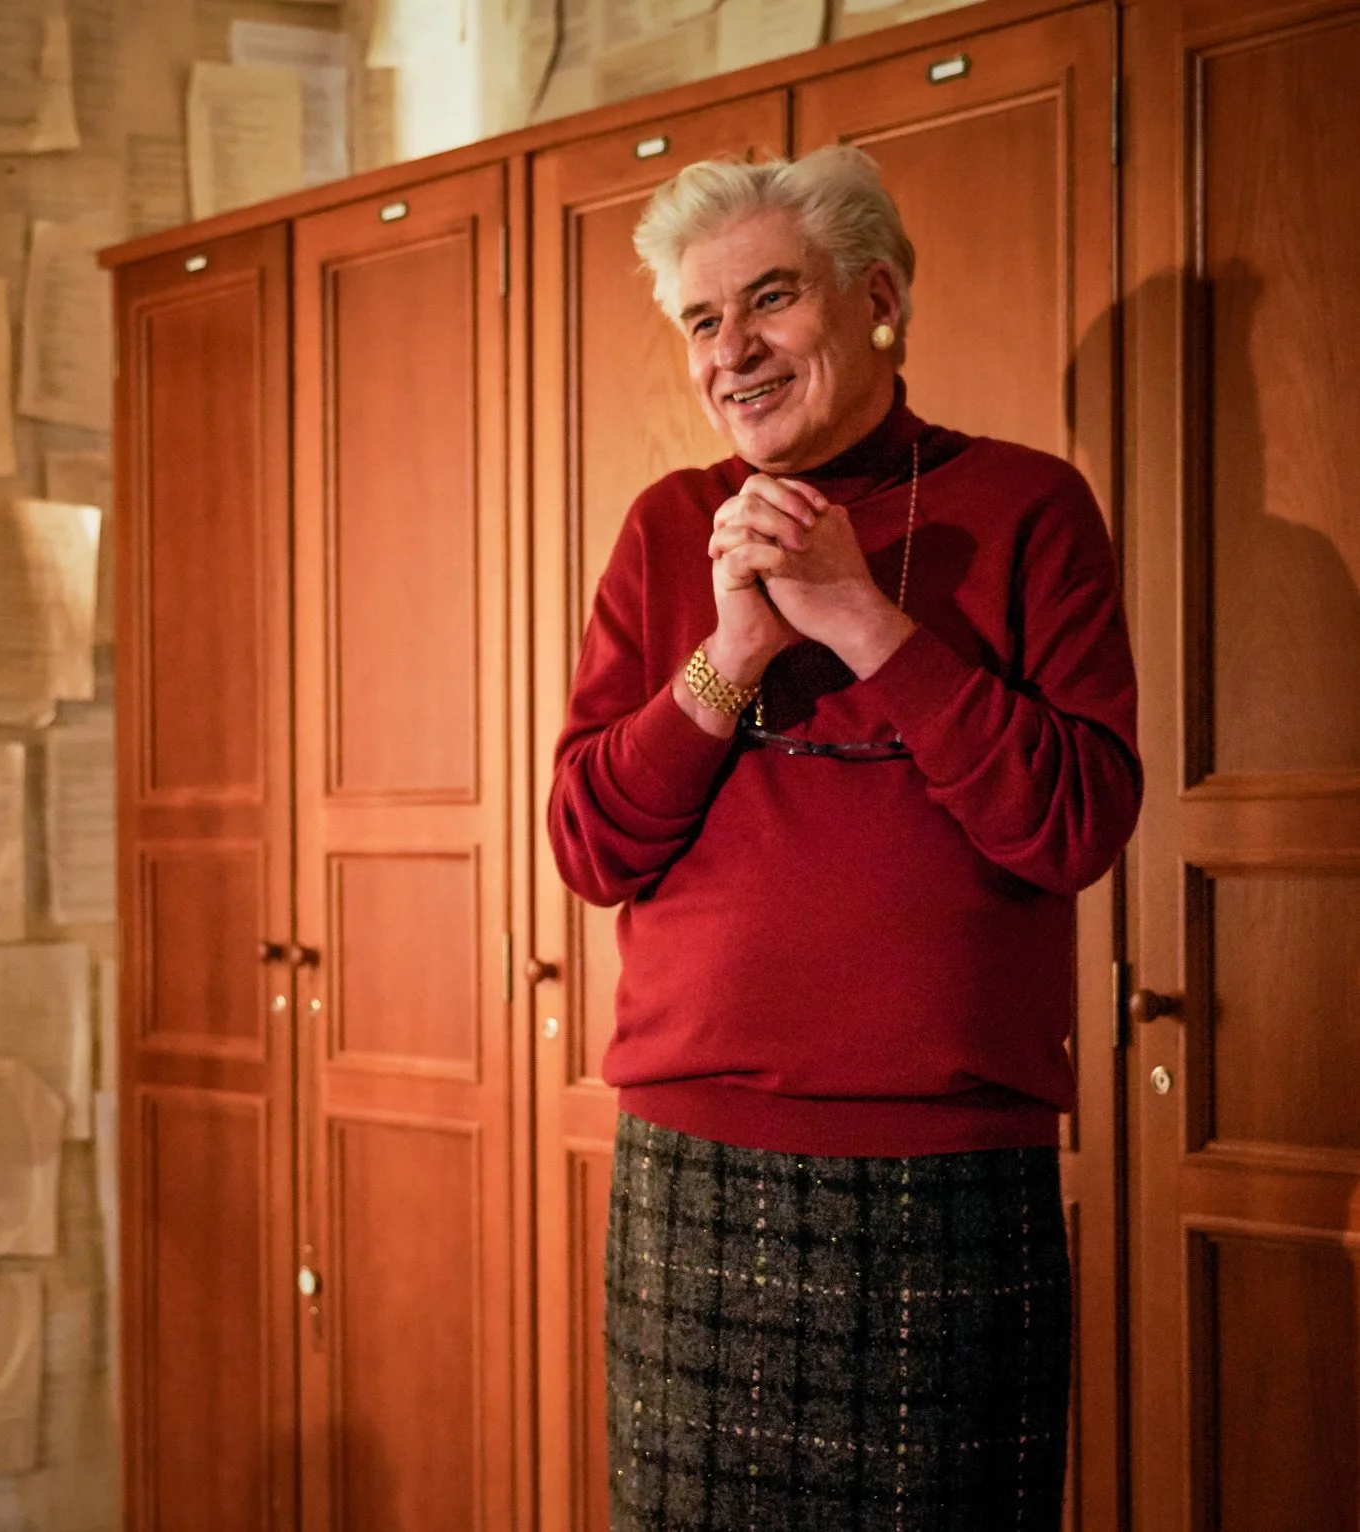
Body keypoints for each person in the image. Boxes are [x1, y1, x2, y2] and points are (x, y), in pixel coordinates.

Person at [547, 144, 1140, 1531]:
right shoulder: (668, 530)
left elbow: (1073, 822)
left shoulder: (1030, 508)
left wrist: (865, 621)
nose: (732, 352)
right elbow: (589, 843)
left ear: (877, 299)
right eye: (702, 321)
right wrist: (731, 654)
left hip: (949, 1171)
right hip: (694, 1168)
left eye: (771, 301)